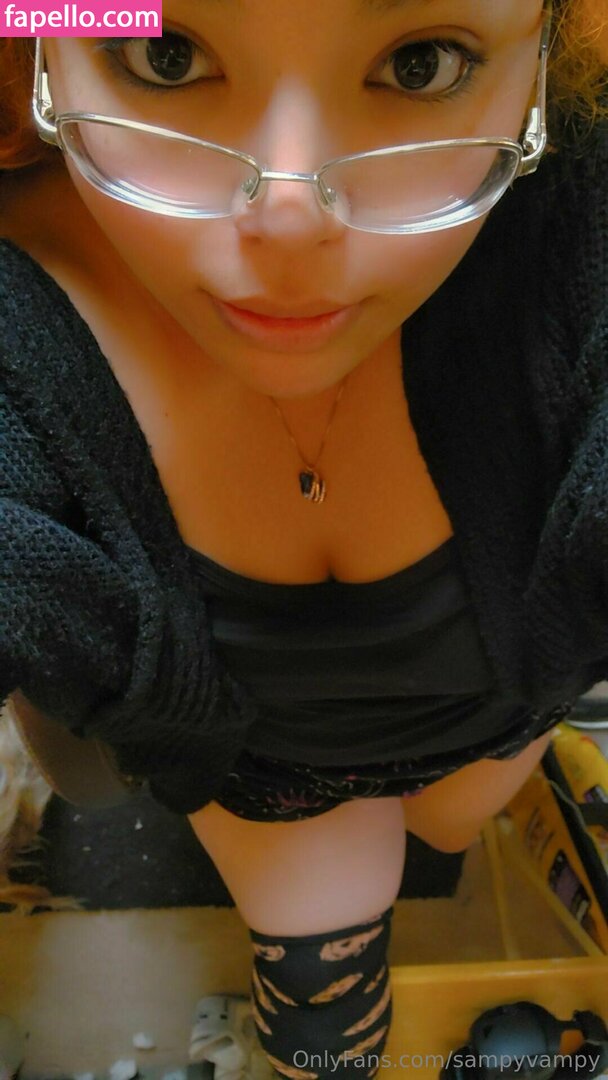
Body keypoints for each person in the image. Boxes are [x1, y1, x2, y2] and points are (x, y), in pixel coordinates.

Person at [0, 2, 607, 1076]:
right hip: (264, 779)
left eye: (420, 63)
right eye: (163, 54)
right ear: (38, 45)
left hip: (496, 735)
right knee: (326, 1021)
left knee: (450, 824)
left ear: (550, 54)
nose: (288, 220)